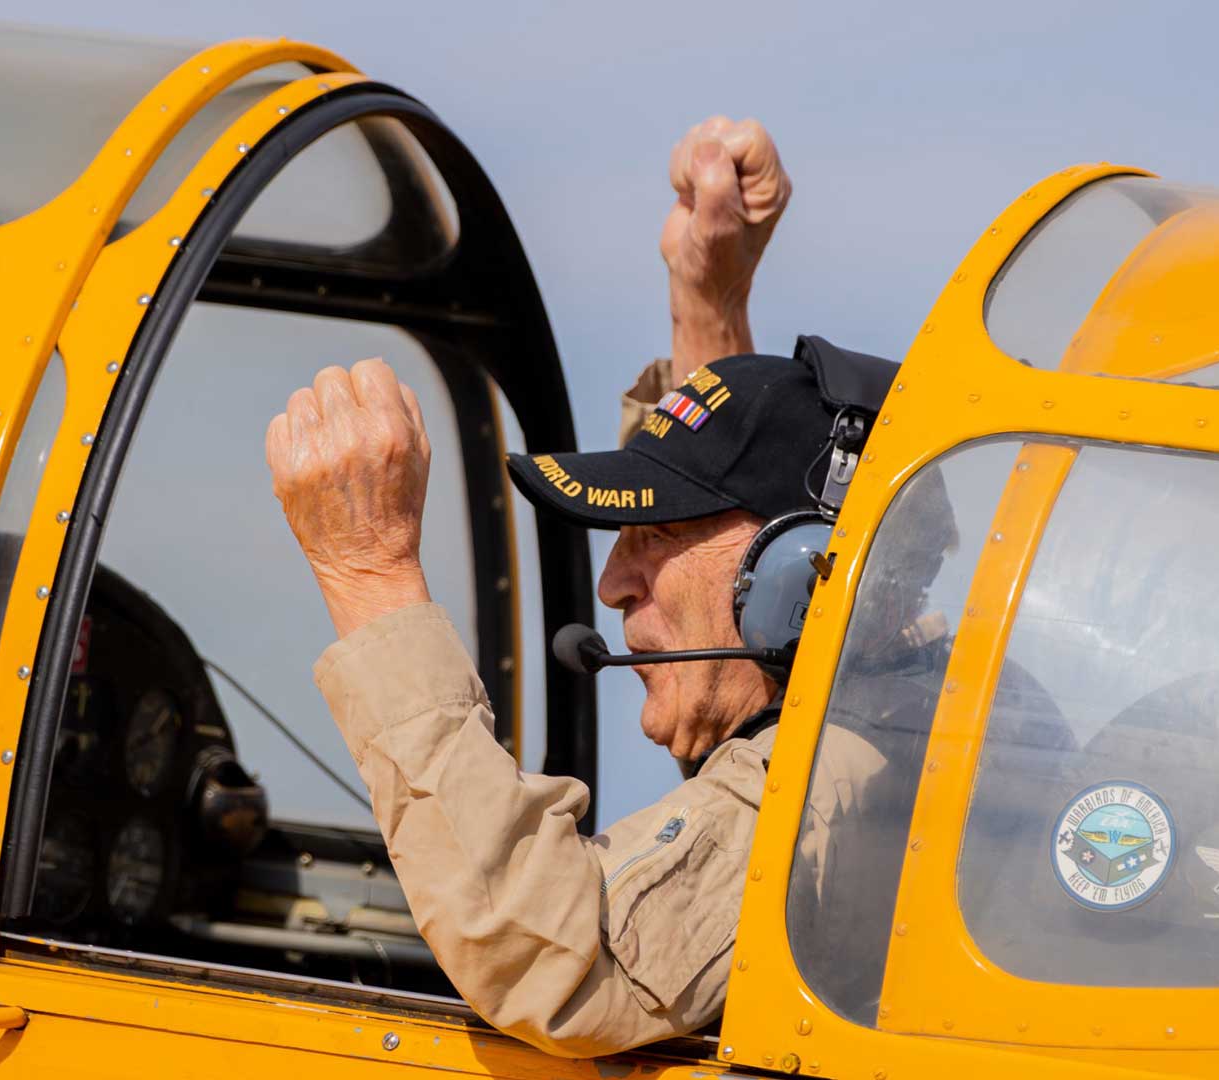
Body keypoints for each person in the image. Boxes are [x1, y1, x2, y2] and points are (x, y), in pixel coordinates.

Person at [264, 117, 894, 1057]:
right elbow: (754, 491)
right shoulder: (872, 708)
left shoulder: (853, 779)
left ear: (802, 581)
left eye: (656, 536)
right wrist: (707, 299)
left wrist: (370, 573)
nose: (610, 583)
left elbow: (556, 960)